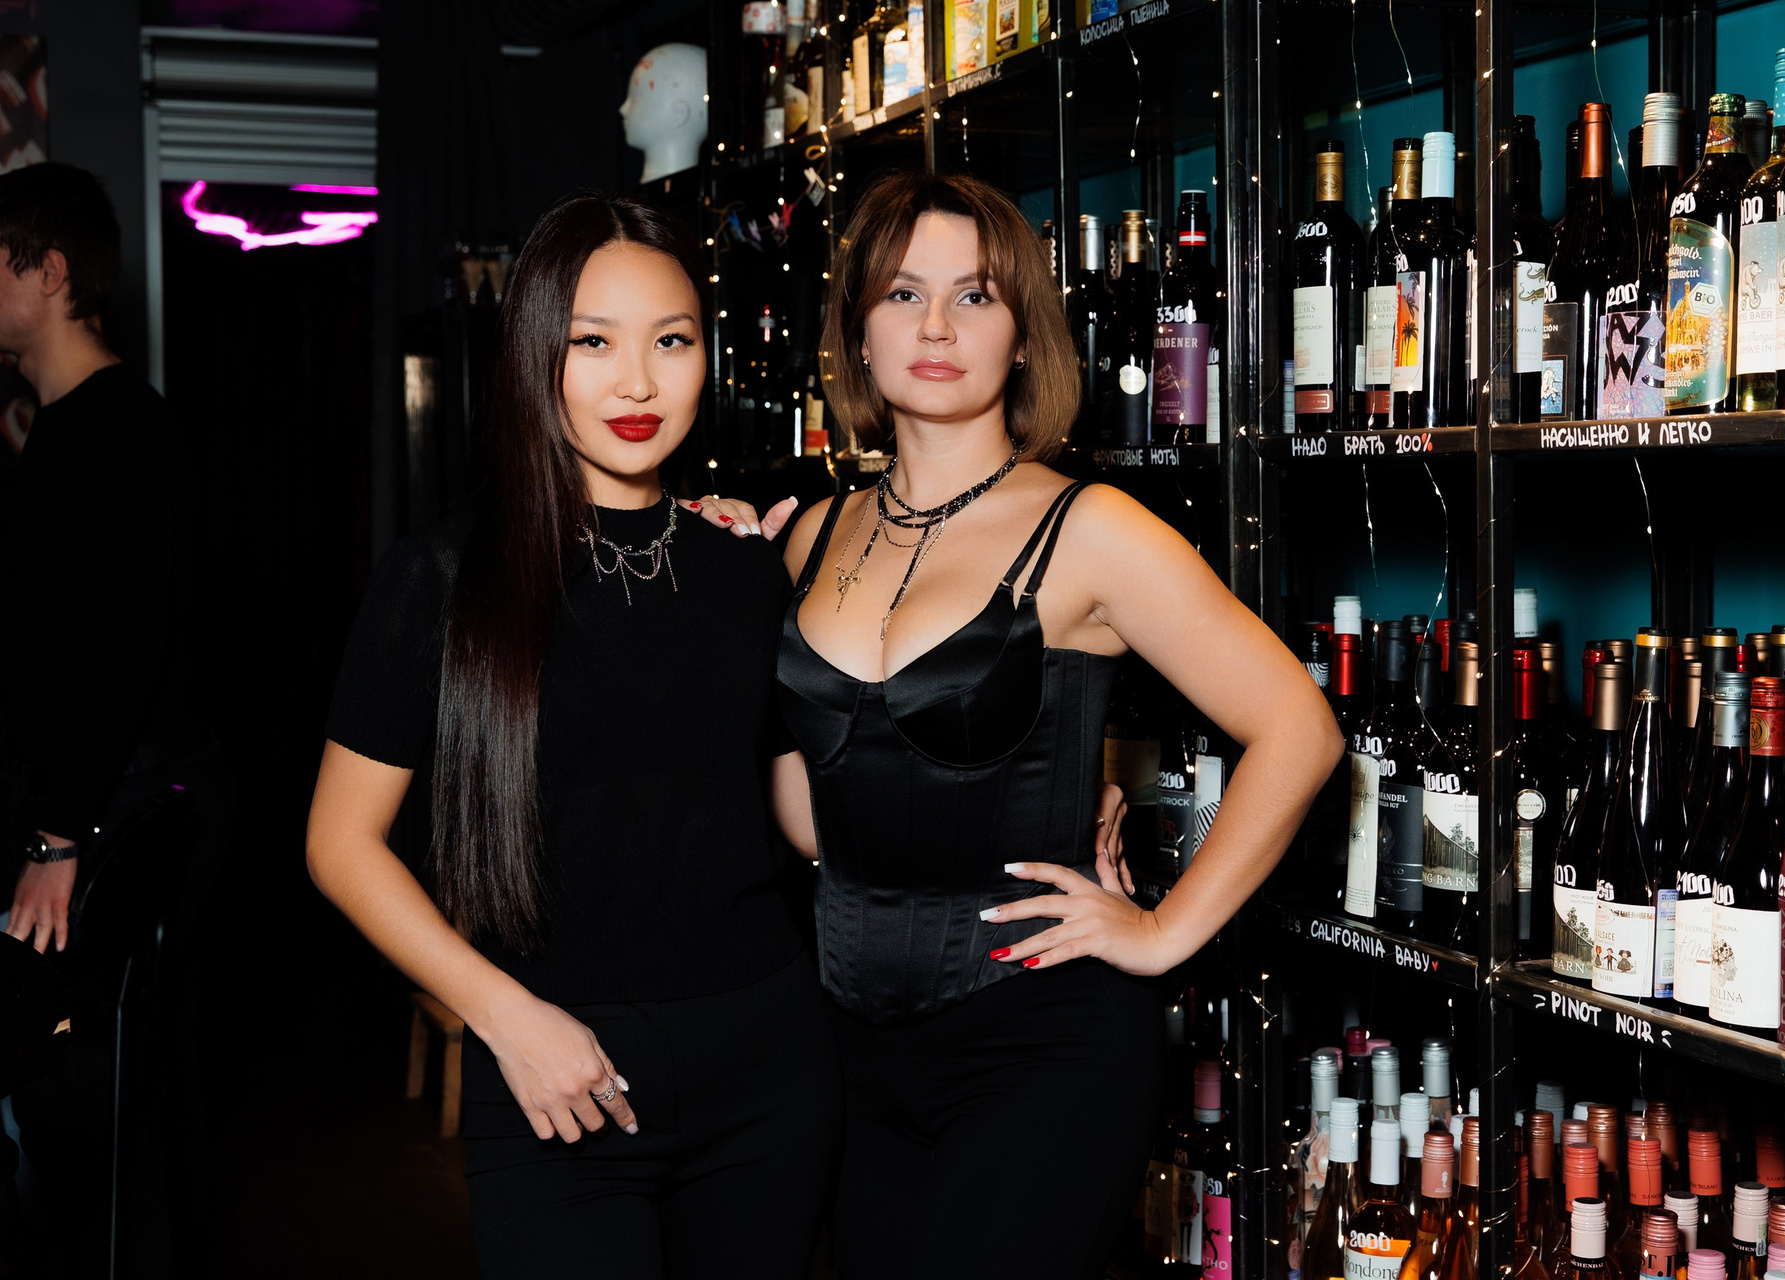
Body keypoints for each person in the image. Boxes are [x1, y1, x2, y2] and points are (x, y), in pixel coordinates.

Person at [306, 191, 1129, 1277]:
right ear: (533, 355)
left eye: (672, 341)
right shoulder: (443, 578)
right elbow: (340, 844)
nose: (637, 383)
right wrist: (503, 1017)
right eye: (592, 342)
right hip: (556, 1079)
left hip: (770, 1079)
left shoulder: (749, 567)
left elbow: (820, 802)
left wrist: (1044, 793)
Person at [771, 171, 1345, 1279]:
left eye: (975, 296)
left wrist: (1163, 932)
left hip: (1037, 1044)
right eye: (902, 294)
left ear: (1025, 336)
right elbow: (808, 813)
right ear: (857, 333)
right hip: (845, 1047)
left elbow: (1299, 727)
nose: (937, 327)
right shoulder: (813, 535)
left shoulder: (1094, 530)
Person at [0, 160, 229, 1276]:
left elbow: (127, 652)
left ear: (47, 272)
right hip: (90, 804)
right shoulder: (63, 429)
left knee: (81, 1099)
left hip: (115, 812)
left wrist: (59, 838)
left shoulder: (119, 431)